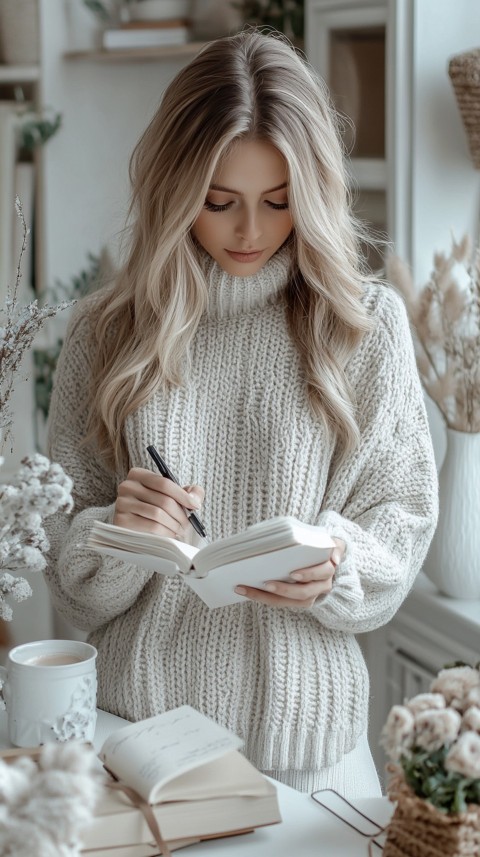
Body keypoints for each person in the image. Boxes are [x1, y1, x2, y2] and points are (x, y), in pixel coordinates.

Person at [44, 30, 438, 798]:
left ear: (313, 192)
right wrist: (118, 530)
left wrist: (337, 563)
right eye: (219, 202)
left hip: (314, 768)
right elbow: (69, 572)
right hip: (139, 750)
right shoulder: (106, 332)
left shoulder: (365, 327)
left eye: (278, 202)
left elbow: (405, 515)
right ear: (175, 186)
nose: (250, 231)